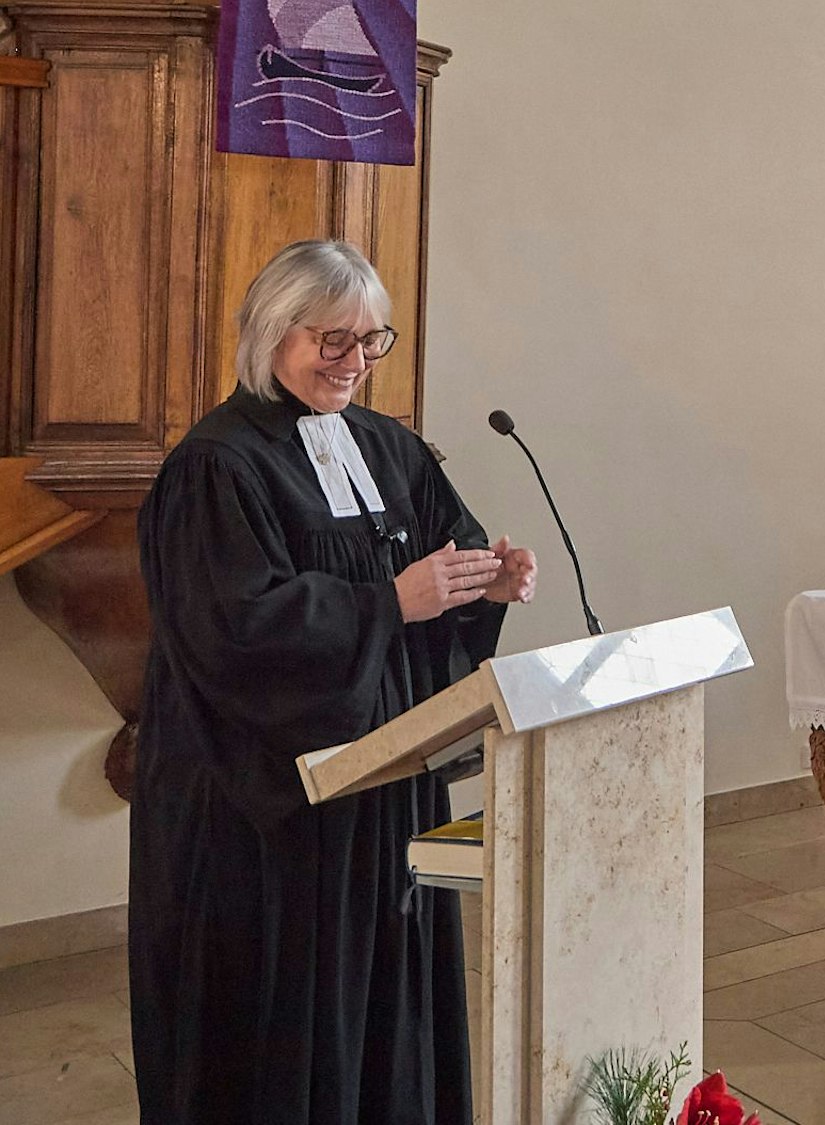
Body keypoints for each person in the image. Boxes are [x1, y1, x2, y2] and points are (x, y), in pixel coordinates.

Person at [128, 240, 537, 1125]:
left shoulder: (390, 449)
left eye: (371, 341)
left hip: (381, 788)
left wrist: (485, 584)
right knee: (280, 1016)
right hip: (261, 808)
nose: (355, 363)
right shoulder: (216, 467)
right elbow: (235, 632)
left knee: (382, 1004)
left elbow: (442, 571)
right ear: (274, 334)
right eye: (333, 341)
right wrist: (390, 601)